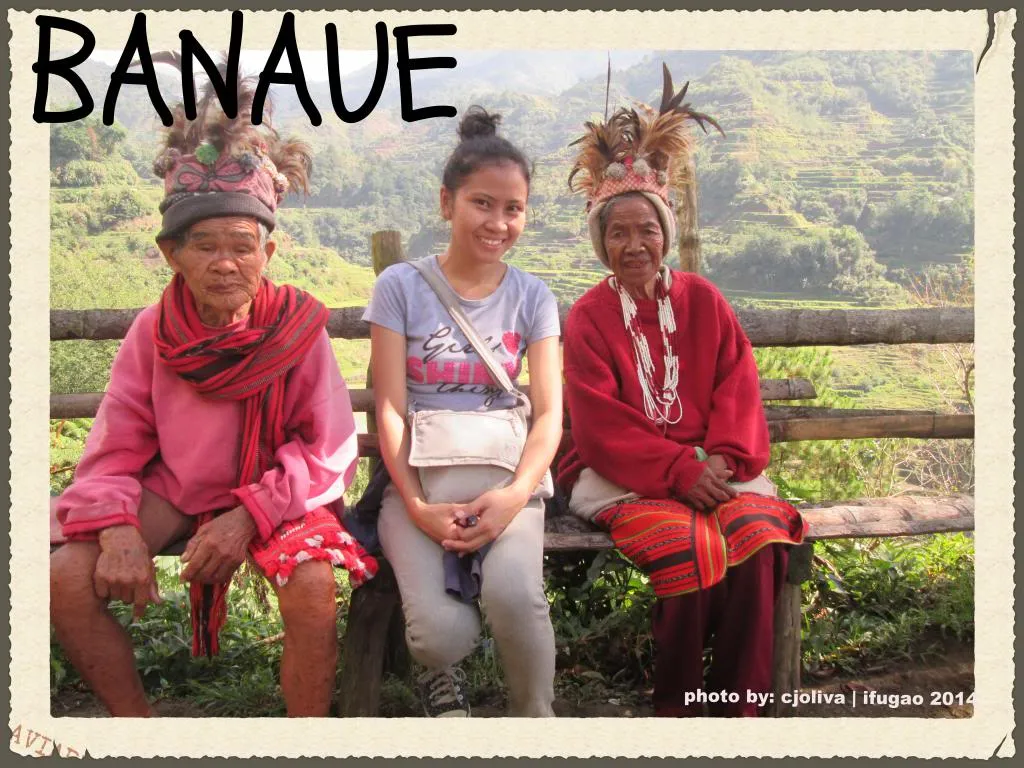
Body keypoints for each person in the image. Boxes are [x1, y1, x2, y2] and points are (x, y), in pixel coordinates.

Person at [49, 72, 376, 717]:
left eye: (242, 246)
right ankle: (139, 730)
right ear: (172, 254)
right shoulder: (155, 330)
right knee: (63, 578)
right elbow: (117, 445)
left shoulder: (297, 327)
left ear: (269, 251)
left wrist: (247, 514)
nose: (226, 263)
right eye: (205, 245)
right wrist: (116, 528)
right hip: (177, 489)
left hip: (277, 494)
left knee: (312, 586)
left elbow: (328, 448)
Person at [557, 66, 805, 717]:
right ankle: (675, 711)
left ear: (666, 235)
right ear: (601, 242)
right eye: (618, 232)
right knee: (688, 550)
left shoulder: (703, 301)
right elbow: (598, 425)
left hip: (719, 470)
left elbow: (736, 387)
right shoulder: (588, 317)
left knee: (757, 538)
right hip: (626, 478)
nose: (633, 244)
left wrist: (719, 461)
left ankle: (737, 713)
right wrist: (675, 470)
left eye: (646, 230)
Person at [363, 107, 562, 717]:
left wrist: (515, 497)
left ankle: (538, 721)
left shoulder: (533, 296)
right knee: (440, 637)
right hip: (418, 482)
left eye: (514, 208)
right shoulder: (400, 287)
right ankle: (439, 675)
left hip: (507, 483)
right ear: (447, 202)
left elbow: (549, 414)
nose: (498, 222)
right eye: (482, 203)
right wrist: (419, 507)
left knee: (515, 599)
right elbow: (390, 408)